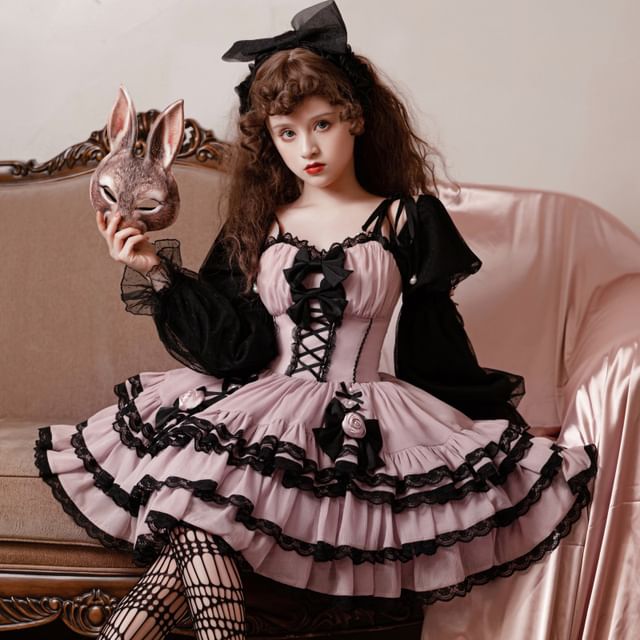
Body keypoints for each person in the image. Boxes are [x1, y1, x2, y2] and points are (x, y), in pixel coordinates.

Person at [34, 2, 597, 639]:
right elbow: (235, 347)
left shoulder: (406, 219)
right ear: (269, 140)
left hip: (356, 424)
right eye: (287, 133)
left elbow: (434, 345)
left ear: (355, 118)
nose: (307, 148)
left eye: (322, 124)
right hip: (257, 409)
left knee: (195, 530)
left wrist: (492, 429)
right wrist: (155, 269)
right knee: (198, 514)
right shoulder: (260, 222)